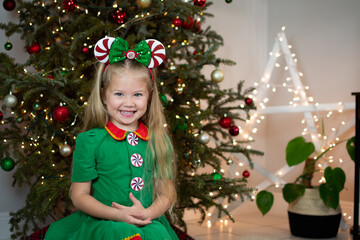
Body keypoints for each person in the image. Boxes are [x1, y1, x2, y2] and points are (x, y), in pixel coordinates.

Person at [45, 37, 178, 240]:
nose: (128, 103)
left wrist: (147, 214)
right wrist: (118, 215)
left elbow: (166, 193)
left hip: (147, 221)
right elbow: (79, 196)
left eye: (137, 95)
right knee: (120, 232)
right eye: (119, 94)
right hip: (104, 223)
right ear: (104, 96)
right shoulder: (90, 141)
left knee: (155, 234)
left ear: (150, 96)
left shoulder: (158, 141)